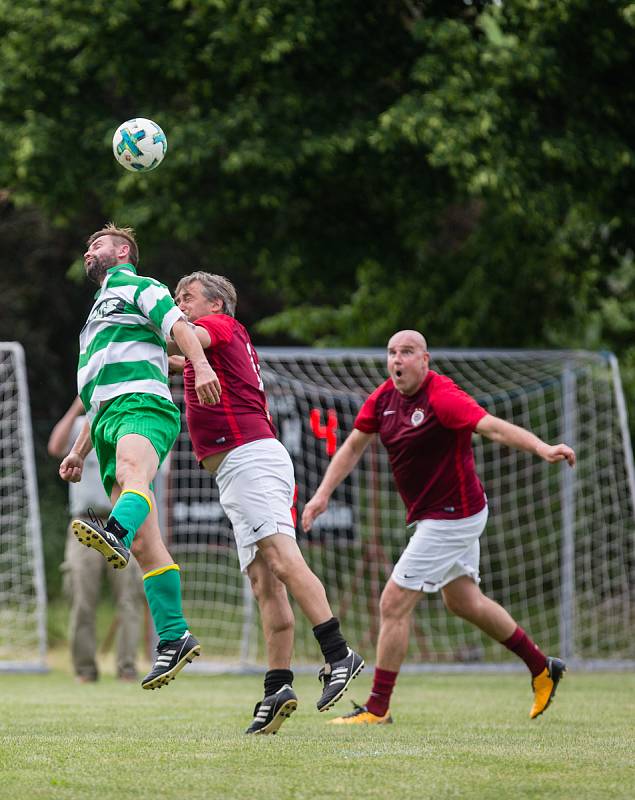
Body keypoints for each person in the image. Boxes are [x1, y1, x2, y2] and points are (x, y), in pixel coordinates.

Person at [302, 330, 575, 725]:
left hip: (454, 514)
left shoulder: (441, 395)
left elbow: (493, 427)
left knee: (392, 602)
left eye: (407, 352)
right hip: (438, 514)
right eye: (392, 353)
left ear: (425, 359)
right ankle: (541, 667)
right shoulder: (384, 399)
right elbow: (353, 445)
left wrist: (543, 448)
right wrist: (323, 495)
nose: (398, 360)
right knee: (463, 601)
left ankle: (378, 708)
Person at [170, 271, 364, 734]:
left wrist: (157, 324)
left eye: (187, 298)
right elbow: (181, 358)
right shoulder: (208, 346)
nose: (179, 304)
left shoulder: (219, 328)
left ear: (216, 304)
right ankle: (277, 687)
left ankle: (339, 653)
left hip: (249, 459)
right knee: (264, 582)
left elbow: (185, 339)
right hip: (239, 468)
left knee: (281, 558)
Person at [59, 223, 222, 690]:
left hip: (142, 405)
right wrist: (77, 451)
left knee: (133, 478)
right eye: (87, 245)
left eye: (98, 244)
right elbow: (99, 392)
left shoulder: (138, 285)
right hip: (108, 418)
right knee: (148, 548)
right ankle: (174, 636)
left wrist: (203, 364)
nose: (89, 250)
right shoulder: (97, 311)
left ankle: (114, 530)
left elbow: (177, 326)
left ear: (123, 251)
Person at [48, 396, 143, 682]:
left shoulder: (131, 429)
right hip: (83, 524)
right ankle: (85, 670)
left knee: (130, 598)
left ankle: (127, 668)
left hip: (123, 522)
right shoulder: (81, 426)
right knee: (81, 597)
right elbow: (55, 447)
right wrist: (78, 406)